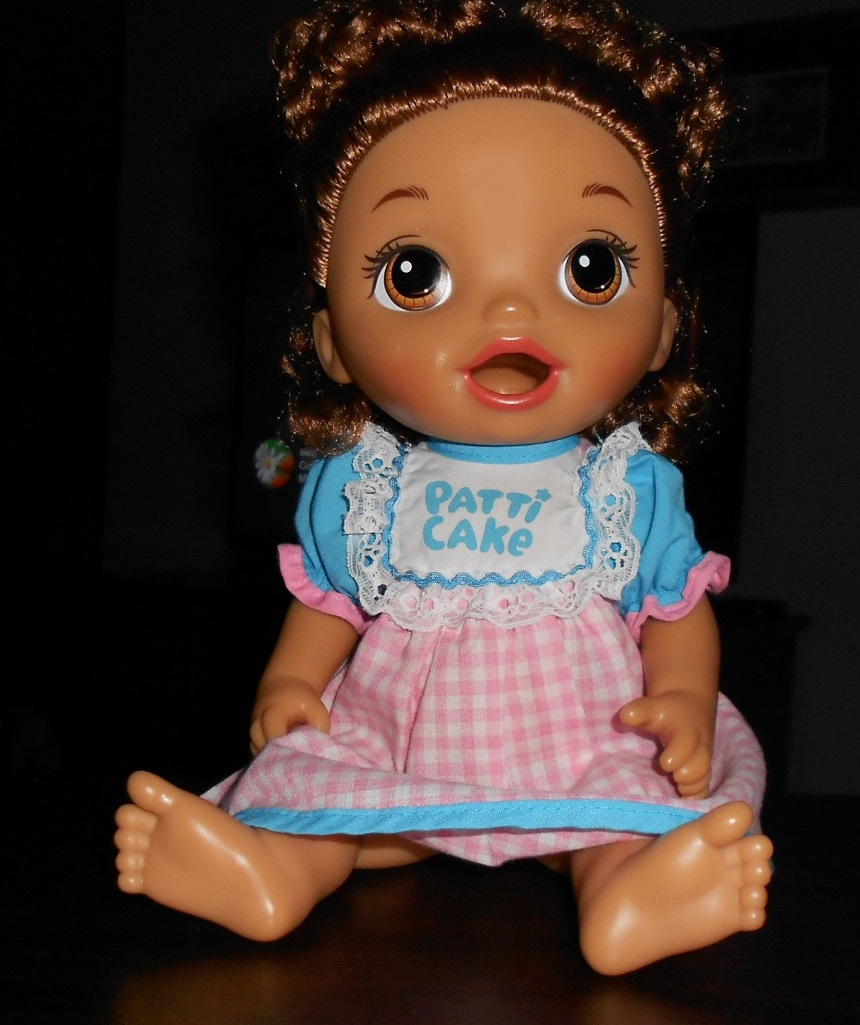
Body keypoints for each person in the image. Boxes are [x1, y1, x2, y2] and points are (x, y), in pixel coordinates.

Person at [115, 0, 773, 976]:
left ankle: (627, 892)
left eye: (590, 269)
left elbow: (673, 605)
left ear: (664, 329)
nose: (509, 309)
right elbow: (331, 598)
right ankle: (270, 872)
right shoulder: (363, 481)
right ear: (333, 341)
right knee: (329, 802)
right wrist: (289, 681)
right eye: (416, 273)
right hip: (400, 736)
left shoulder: (625, 482)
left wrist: (680, 696)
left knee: (615, 815)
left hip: (575, 735)